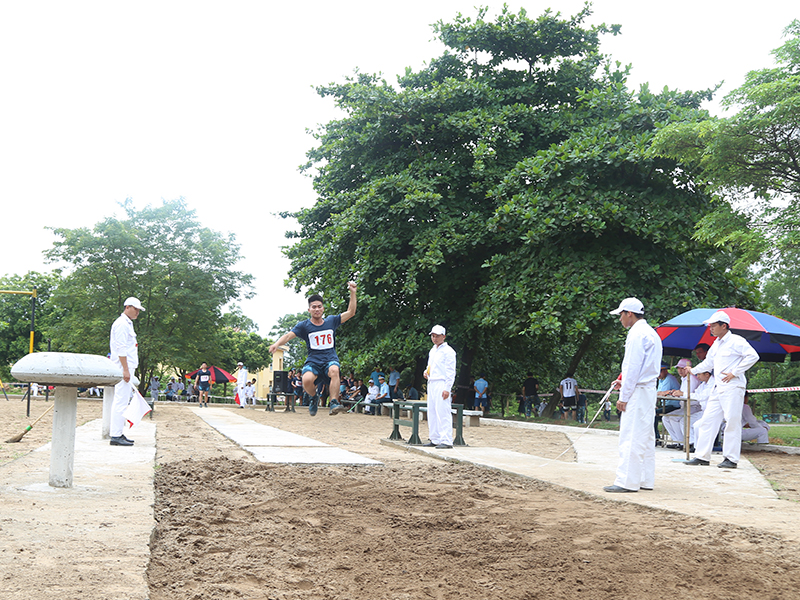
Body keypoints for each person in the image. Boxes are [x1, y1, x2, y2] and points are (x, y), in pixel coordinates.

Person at [269, 282, 357, 416]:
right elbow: (288, 336)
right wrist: (276, 344)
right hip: (313, 361)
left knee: (334, 370)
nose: (317, 309)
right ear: (309, 309)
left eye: (319, 307)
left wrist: (353, 292)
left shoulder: (331, 321)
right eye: (314, 307)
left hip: (330, 359)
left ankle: (333, 402)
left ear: (323, 309)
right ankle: (313, 397)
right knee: (306, 379)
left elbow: (351, 312)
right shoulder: (304, 326)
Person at [686, 311, 760, 468]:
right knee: (708, 420)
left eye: (713, 325)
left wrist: (735, 372)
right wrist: (692, 370)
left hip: (733, 386)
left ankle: (731, 459)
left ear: (723, 326)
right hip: (718, 387)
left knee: (732, 421)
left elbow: (753, 356)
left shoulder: (736, 341)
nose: (710, 328)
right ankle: (702, 456)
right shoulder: (717, 344)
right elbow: (708, 363)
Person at [604, 297, 662, 493]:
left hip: (638, 391)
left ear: (629, 313)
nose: (620, 319)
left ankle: (626, 481)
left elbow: (632, 367)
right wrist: (627, 383)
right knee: (645, 435)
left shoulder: (636, 334)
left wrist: (624, 397)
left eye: (621, 314)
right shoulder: (651, 333)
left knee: (631, 435)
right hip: (647, 388)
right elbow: (642, 368)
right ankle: (645, 479)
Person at [109, 296, 145, 447]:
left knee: (122, 401)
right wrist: (125, 369)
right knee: (120, 401)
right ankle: (115, 435)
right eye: (136, 309)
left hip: (127, 366)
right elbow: (121, 349)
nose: (137, 312)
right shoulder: (122, 324)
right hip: (123, 366)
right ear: (127, 307)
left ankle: (118, 432)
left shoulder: (127, 324)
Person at [423, 324, 457, 449]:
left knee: (443, 411)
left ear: (443, 336)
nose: (434, 338)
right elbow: (430, 366)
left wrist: (447, 388)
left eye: (437, 336)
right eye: (433, 336)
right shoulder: (433, 350)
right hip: (432, 382)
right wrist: (426, 372)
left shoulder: (449, 351)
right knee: (432, 411)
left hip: (442, 383)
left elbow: (450, 371)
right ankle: (435, 438)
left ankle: (446, 440)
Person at [661, 359, 703, 449]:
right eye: (679, 368)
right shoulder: (684, 378)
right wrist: (675, 393)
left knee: (675, 418)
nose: (680, 370)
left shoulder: (691, 379)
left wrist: (679, 394)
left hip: (693, 406)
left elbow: (687, 395)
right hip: (685, 405)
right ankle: (677, 440)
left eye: (682, 368)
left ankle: (684, 442)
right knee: (665, 418)